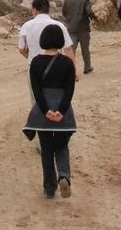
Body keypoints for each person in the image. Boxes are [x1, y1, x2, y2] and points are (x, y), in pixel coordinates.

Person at [24, 24, 77, 199]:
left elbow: (36, 91)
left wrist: (46, 110)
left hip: (42, 113)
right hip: (63, 111)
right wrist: (60, 111)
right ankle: (64, 176)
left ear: (43, 40)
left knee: (46, 149)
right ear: (61, 40)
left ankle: (49, 187)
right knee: (61, 146)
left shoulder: (36, 63)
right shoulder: (67, 63)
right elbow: (69, 90)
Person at [18, 0, 74, 66]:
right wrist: (73, 69)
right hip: (56, 65)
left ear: (35, 10)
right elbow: (68, 49)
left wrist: (30, 58)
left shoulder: (26, 26)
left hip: (34, 67)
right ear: (48, 10)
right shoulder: (59, 25)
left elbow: (21, 49)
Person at [61, 0, 98, 74]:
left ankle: (70, 69)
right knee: (85, 49)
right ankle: (87, 68)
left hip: (71, 28)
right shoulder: (85, 0)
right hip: (83, 28)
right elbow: (89, 11)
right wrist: (94, 18)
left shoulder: (68, 0)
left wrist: (70, 19)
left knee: (71, 50)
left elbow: (64, 12)